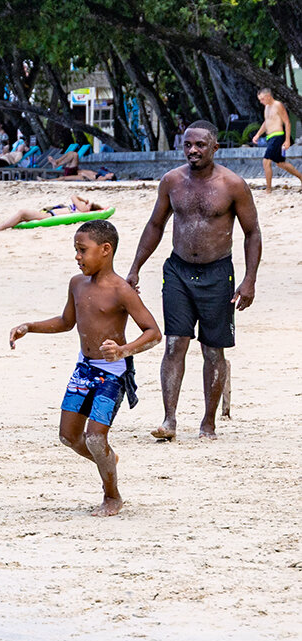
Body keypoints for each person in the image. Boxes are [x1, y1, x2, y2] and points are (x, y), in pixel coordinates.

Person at [10, 220, 161, 516]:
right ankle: (108, 459)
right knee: (68, 437)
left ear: (105, 250)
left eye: (82, 250)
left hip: (113, 372)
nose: (77, 257)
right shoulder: (77, 284)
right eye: (76, 251)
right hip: (84, 369)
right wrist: (30, 327)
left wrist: (123, 349)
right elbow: (67, 322)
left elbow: (153, 332)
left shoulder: (122, 290)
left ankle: (112, 496)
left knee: (95, 437)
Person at [126, 120, 261, 440]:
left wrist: (249, 280)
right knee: (174, 344)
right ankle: (169, 420)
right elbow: (155, 226)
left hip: (218, 273)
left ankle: (208, 423)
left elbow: (252, 232)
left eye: (200, 145)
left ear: (215, 147)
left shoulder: (233, 185)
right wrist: (134, 268)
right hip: (177, 272)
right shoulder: (172, 181)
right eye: (187, 144)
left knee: (213, 350)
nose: (193, 150)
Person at [252, 88, 302, 191]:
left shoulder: (278, 105)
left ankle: (268, 189)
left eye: (262, 99)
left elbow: (287, 122)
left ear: (268, 96)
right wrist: (257, 134)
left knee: (266, 161)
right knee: (281, 163)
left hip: (278, 137)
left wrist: (287, 140)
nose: (261, 102)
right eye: (259, 100)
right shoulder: (267, 107)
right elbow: (266, 122)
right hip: (270, 138)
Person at [0, 193, 107, 231]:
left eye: (89, 204)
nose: (87, 203)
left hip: (48, 216)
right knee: (21, 216)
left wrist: (83, 200)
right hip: (48, 214)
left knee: (22, 212)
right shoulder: (81, 208)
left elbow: (73, 196)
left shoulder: (84, 209)